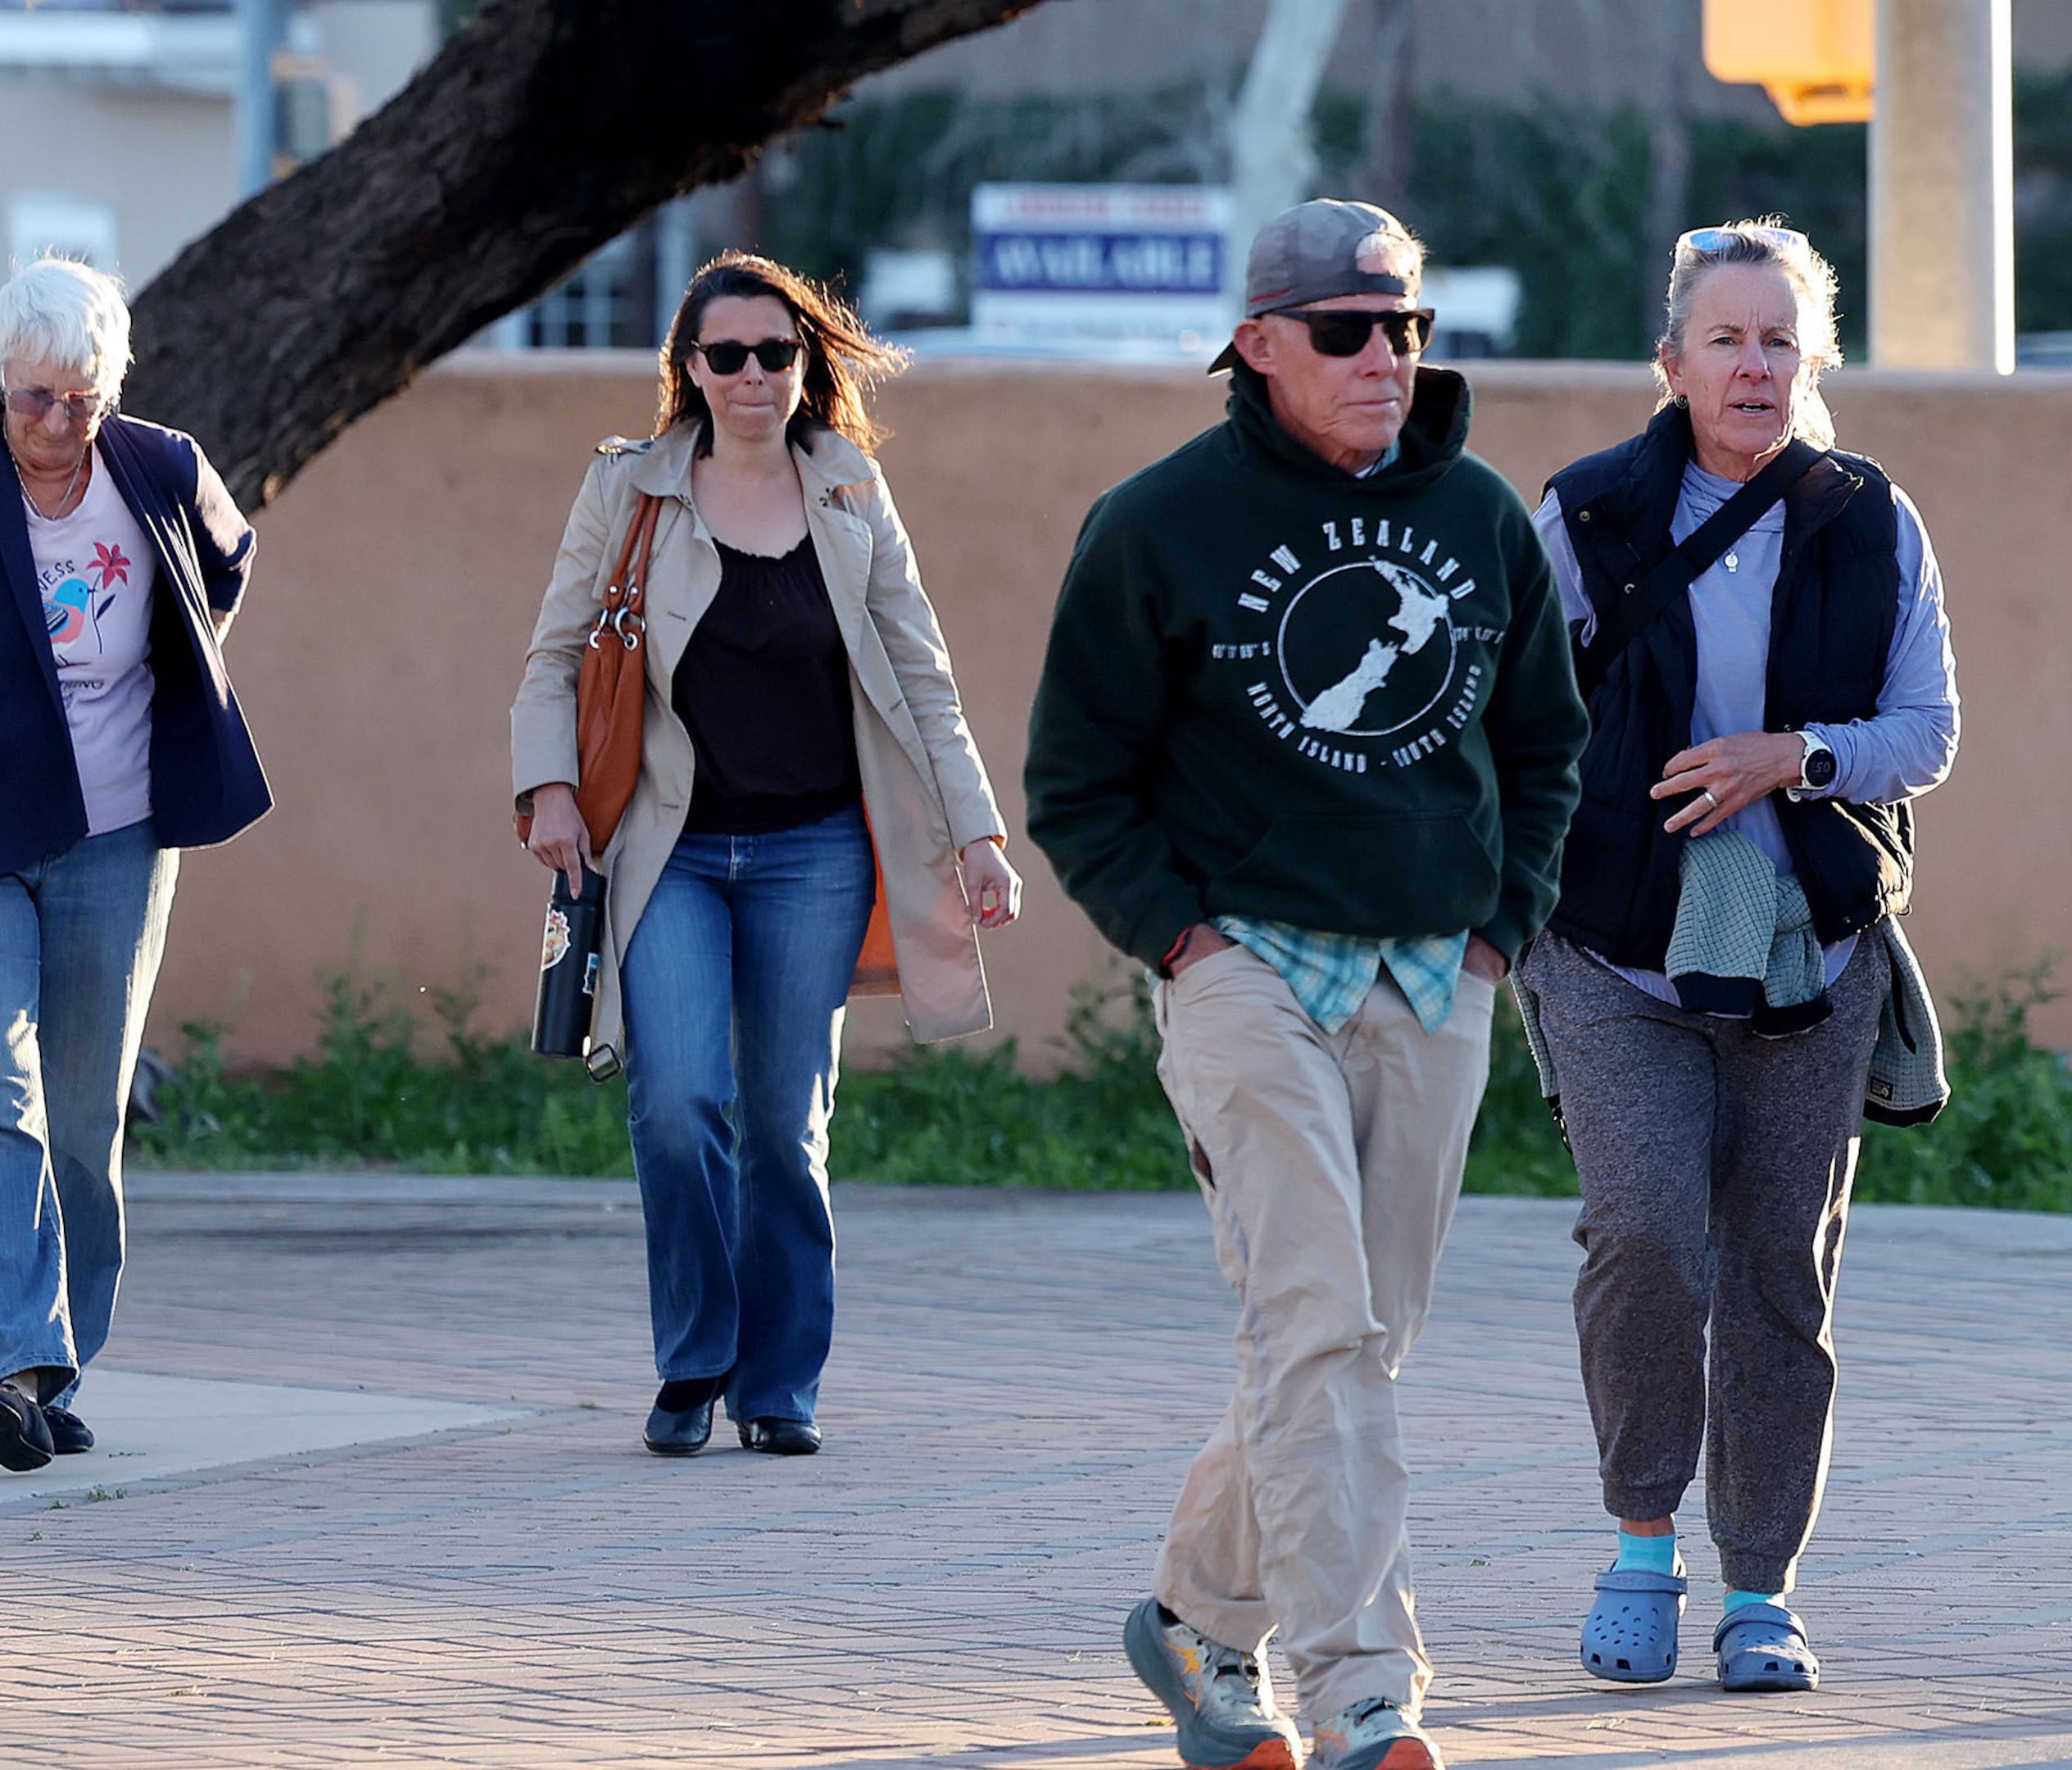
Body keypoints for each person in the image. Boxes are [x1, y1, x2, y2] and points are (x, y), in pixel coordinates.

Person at [1027, 199, 1583, 1770]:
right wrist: (1183, 941)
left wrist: (1500, 929)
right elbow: (1079, 781)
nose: (1385, 358)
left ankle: (1197, 1622)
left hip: (1434, 972)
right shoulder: (1156, 525)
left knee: (1350, 1338)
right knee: (1317, 1320)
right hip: (1245, 967)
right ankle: (1361, 1694)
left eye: (1406, 326)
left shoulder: (1478, 518)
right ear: (1258, 344)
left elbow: (1545, 747)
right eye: (1347, 331)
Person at [1517, 220, 1958, 1695]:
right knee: (1645, 1237)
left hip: (1809, 953)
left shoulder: (1872, 520)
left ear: (1815, 358)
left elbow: (1926, 732)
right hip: (1615, 949)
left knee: (1781, 1272)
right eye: (1727, 338)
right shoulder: (1581, 517)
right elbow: (1515, 724)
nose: (1755, 364)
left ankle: (1760, 1587)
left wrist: (1798, 757)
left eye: (1781, 339)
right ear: (1673, 360)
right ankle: (1642, 1549)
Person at [510, 253, 1022, 1462]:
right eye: (725, 355)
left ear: (807, 367)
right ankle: (695, 1362)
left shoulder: (850, 492)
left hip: (817, 853)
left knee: (790, 1129)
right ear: (686, 371)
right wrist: (545, 788)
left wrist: (979, 835)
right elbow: (553, 655)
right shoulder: (629, 494)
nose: (751, 375)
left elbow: (921, 675)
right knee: (680, 1103)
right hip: (668, 849)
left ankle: (779, 1383)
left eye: (775, 353)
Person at [0, 257, 268, 1470]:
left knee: (84, 1113)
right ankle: (13, 1358)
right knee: (2, 1094)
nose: (58, 425)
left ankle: (62, 1361)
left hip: (116, 832)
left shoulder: (159, 467)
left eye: (82, 402)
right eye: (35, 399)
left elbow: (222, 565)